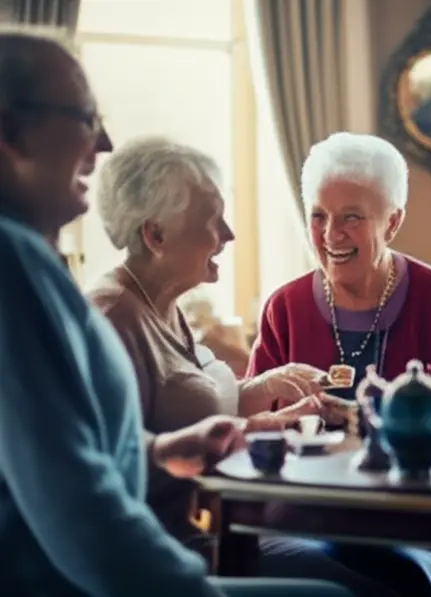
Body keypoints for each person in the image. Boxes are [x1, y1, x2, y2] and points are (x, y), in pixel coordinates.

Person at [0, 30, 353, 597]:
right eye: (85, 117)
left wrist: (164, 451)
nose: (105, 141)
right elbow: (77, 508)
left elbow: (66, 442)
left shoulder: (33, 262)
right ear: (12, 131)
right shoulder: (14, 270)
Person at [85, 136, 396, 595]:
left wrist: (273, 406)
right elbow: (117, 464)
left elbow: (188, 408)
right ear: (156, 235)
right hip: (168, 554)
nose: (229, 234)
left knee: (389, 573)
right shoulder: (110, 319)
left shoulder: (163, 303)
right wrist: (256, 428)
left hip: (213, 533)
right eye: (212, 220)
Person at [247, 132, 431, 597]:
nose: (330, 234)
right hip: (302, 513)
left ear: (393, 222)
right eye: (318, 216)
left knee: (404, 581)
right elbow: (256, 433)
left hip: (407, 517)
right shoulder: (284, 307)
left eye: (351, 218)